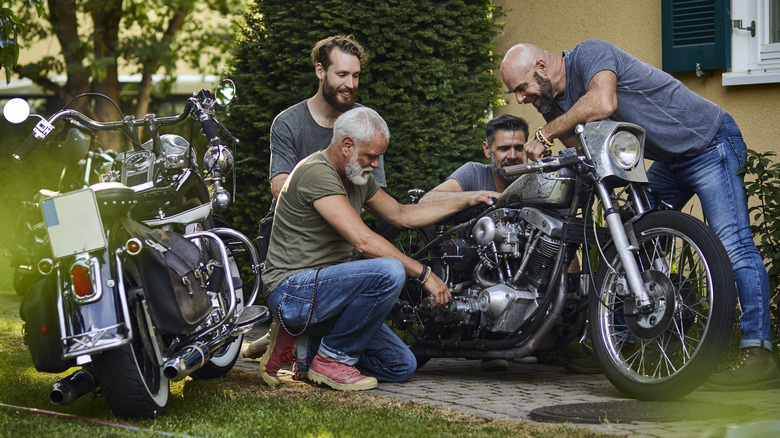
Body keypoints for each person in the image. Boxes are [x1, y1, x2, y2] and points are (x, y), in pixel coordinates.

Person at [500, 39, 778, 390]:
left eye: (521, 88)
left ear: (541, 66)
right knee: (630, 242)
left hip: (709, 142)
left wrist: (545, 133)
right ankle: (615, 346)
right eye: (515, 93)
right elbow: (585, 151)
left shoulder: (590, 54)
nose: (521, 98)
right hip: (667, 161)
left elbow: (603, 102)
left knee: (733, 244)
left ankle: (759, 356)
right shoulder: (551, 104)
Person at [259, 107, 498, 390]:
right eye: (371, 156)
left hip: (330, 297)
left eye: (378, 157)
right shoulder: (315, 172)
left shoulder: (358, 177)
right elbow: (364, 241)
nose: (375, 164)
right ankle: (332, 359)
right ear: (346, 145)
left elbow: (402, 214)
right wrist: (425, 274)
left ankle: (301, 347)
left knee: (400, 365)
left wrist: (467, 199)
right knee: (390, 271)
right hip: (292, 294)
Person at [244, 35, 384, 359]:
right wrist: (332, 204)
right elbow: (280, 186)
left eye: (356, 75)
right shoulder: (289, 122)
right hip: (296, 233)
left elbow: (372, 193)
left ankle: (299, 338)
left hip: (345, 232)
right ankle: (286, 323)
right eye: (342, 74)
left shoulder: (366, 124)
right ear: (320, 71)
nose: (350, 83)